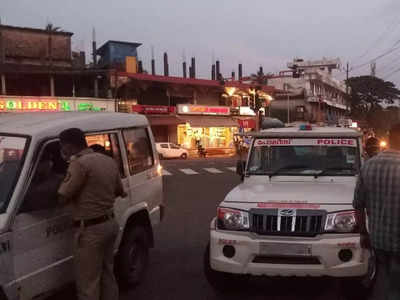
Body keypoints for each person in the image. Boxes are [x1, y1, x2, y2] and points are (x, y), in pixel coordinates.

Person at [57, 128, 126, 300]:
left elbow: (63, 196)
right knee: (107, 274)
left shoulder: (79, 164)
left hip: (90, 231)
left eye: (62, 147)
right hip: (110, 224)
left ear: (69, 146)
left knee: (88, 283)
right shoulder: (108, 160)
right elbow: (120, 191)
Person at [353, 123, 400, 300]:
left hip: (378, 240)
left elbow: (358, 204)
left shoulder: (368, 166)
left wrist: (363, 233)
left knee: (383, 279)